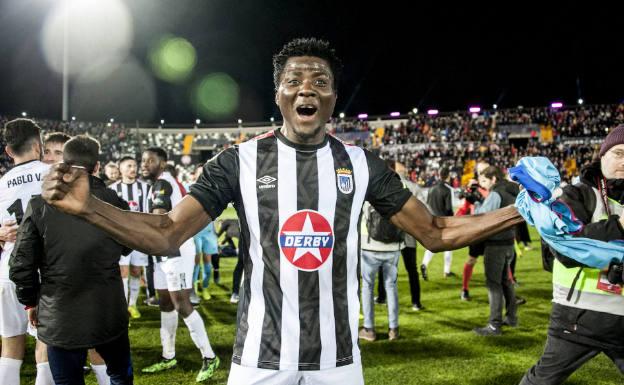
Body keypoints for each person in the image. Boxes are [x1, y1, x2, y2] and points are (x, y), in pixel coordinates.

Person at [40, 37, 523, 385]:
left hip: (338, 358)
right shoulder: (238, 161)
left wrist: (522, 208)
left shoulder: (361, 164)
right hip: (259, 357)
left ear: (333, 98)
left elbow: (436, 231)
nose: (307, 88)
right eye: (294, 80)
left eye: (320, 81)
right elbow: (167, 233)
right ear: (279, 96)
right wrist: (89, 209)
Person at [9, 135, 134, 385]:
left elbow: (21, 265)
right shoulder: (116, 203)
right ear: (97, 167)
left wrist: (30, 302)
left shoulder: (40, 204)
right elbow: (127, 247)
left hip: (60, 311)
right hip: (107, 308)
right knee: (120, 376)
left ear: (63, 164)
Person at [520, 125, 624, 384]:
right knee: (542, 381)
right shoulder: (577, 193)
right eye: (619, 153)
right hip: (578, 316)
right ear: (602, 156)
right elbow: (563, 247)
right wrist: (618, 226)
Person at [138, 148, 219, 382]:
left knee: (181, 303)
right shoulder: (163, 182)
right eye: (143, 160)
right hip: (165, 251)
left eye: (150, 160)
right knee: (165, 302)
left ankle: (209, 357)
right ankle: (168, 356)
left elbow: (159, 217)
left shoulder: (163, 183)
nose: (145, 164)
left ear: (162, 163)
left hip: (176, 250)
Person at [0, 119, 53, 385]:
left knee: (10, 344)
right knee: (45, 343)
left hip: (9, 267)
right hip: (46, 267)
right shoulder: (54, 174)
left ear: (9, 151)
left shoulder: (1, 183)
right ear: (38, 145)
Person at [473, 166, 519, 336]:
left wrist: (476, 203)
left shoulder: (495, 193)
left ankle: (494, 325)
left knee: (494, 284)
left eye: (485, 180)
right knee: (506, 282)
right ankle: (512, 318)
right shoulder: (511, 190)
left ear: (493, 179)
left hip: (496, 244)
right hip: (509, 243)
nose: (483, 184)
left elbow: (482, 217)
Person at [109, 156, 150, 319]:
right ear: (121, 169)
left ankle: (132, 304)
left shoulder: (146, 188)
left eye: (134, 165)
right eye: (129, 166)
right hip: (120, 239)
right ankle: (123, 306)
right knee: (123, 272)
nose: (133, 169)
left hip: (139, 238)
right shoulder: (112, 189)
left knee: (135, 271)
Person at [359, 202, 403, 342]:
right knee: (391, 287)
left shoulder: (367, 194)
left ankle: (369, 329)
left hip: (369, 246)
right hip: (393, 247)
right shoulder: (395, 193)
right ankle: (393, 329)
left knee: (367, 287)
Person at [421, 167, 455, 279]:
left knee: (432, 245)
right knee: (449, 247)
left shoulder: (431, 189)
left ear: (438, 175)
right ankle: (446, 271)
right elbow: (449, 209)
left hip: (431, 221)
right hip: (444, 221)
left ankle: (424, 264)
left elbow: (427, 205)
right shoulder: (447, 189)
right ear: (448, 176)